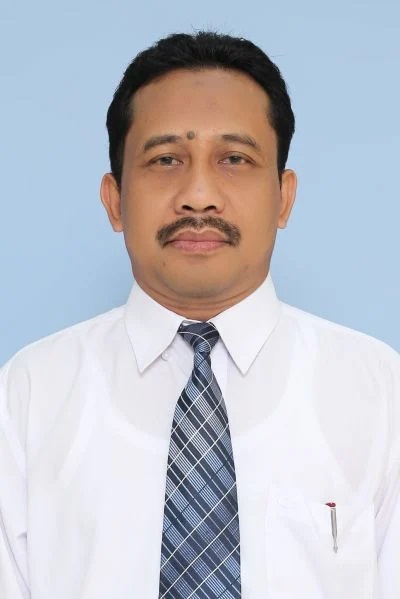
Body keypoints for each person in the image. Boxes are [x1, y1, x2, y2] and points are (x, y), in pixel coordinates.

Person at [0, 30, 399, 599]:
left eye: (234, 159)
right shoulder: (28, 394)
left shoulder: (380, 392)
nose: (199, 196)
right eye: (166, 160)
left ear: (284, 197)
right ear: (114, 200)